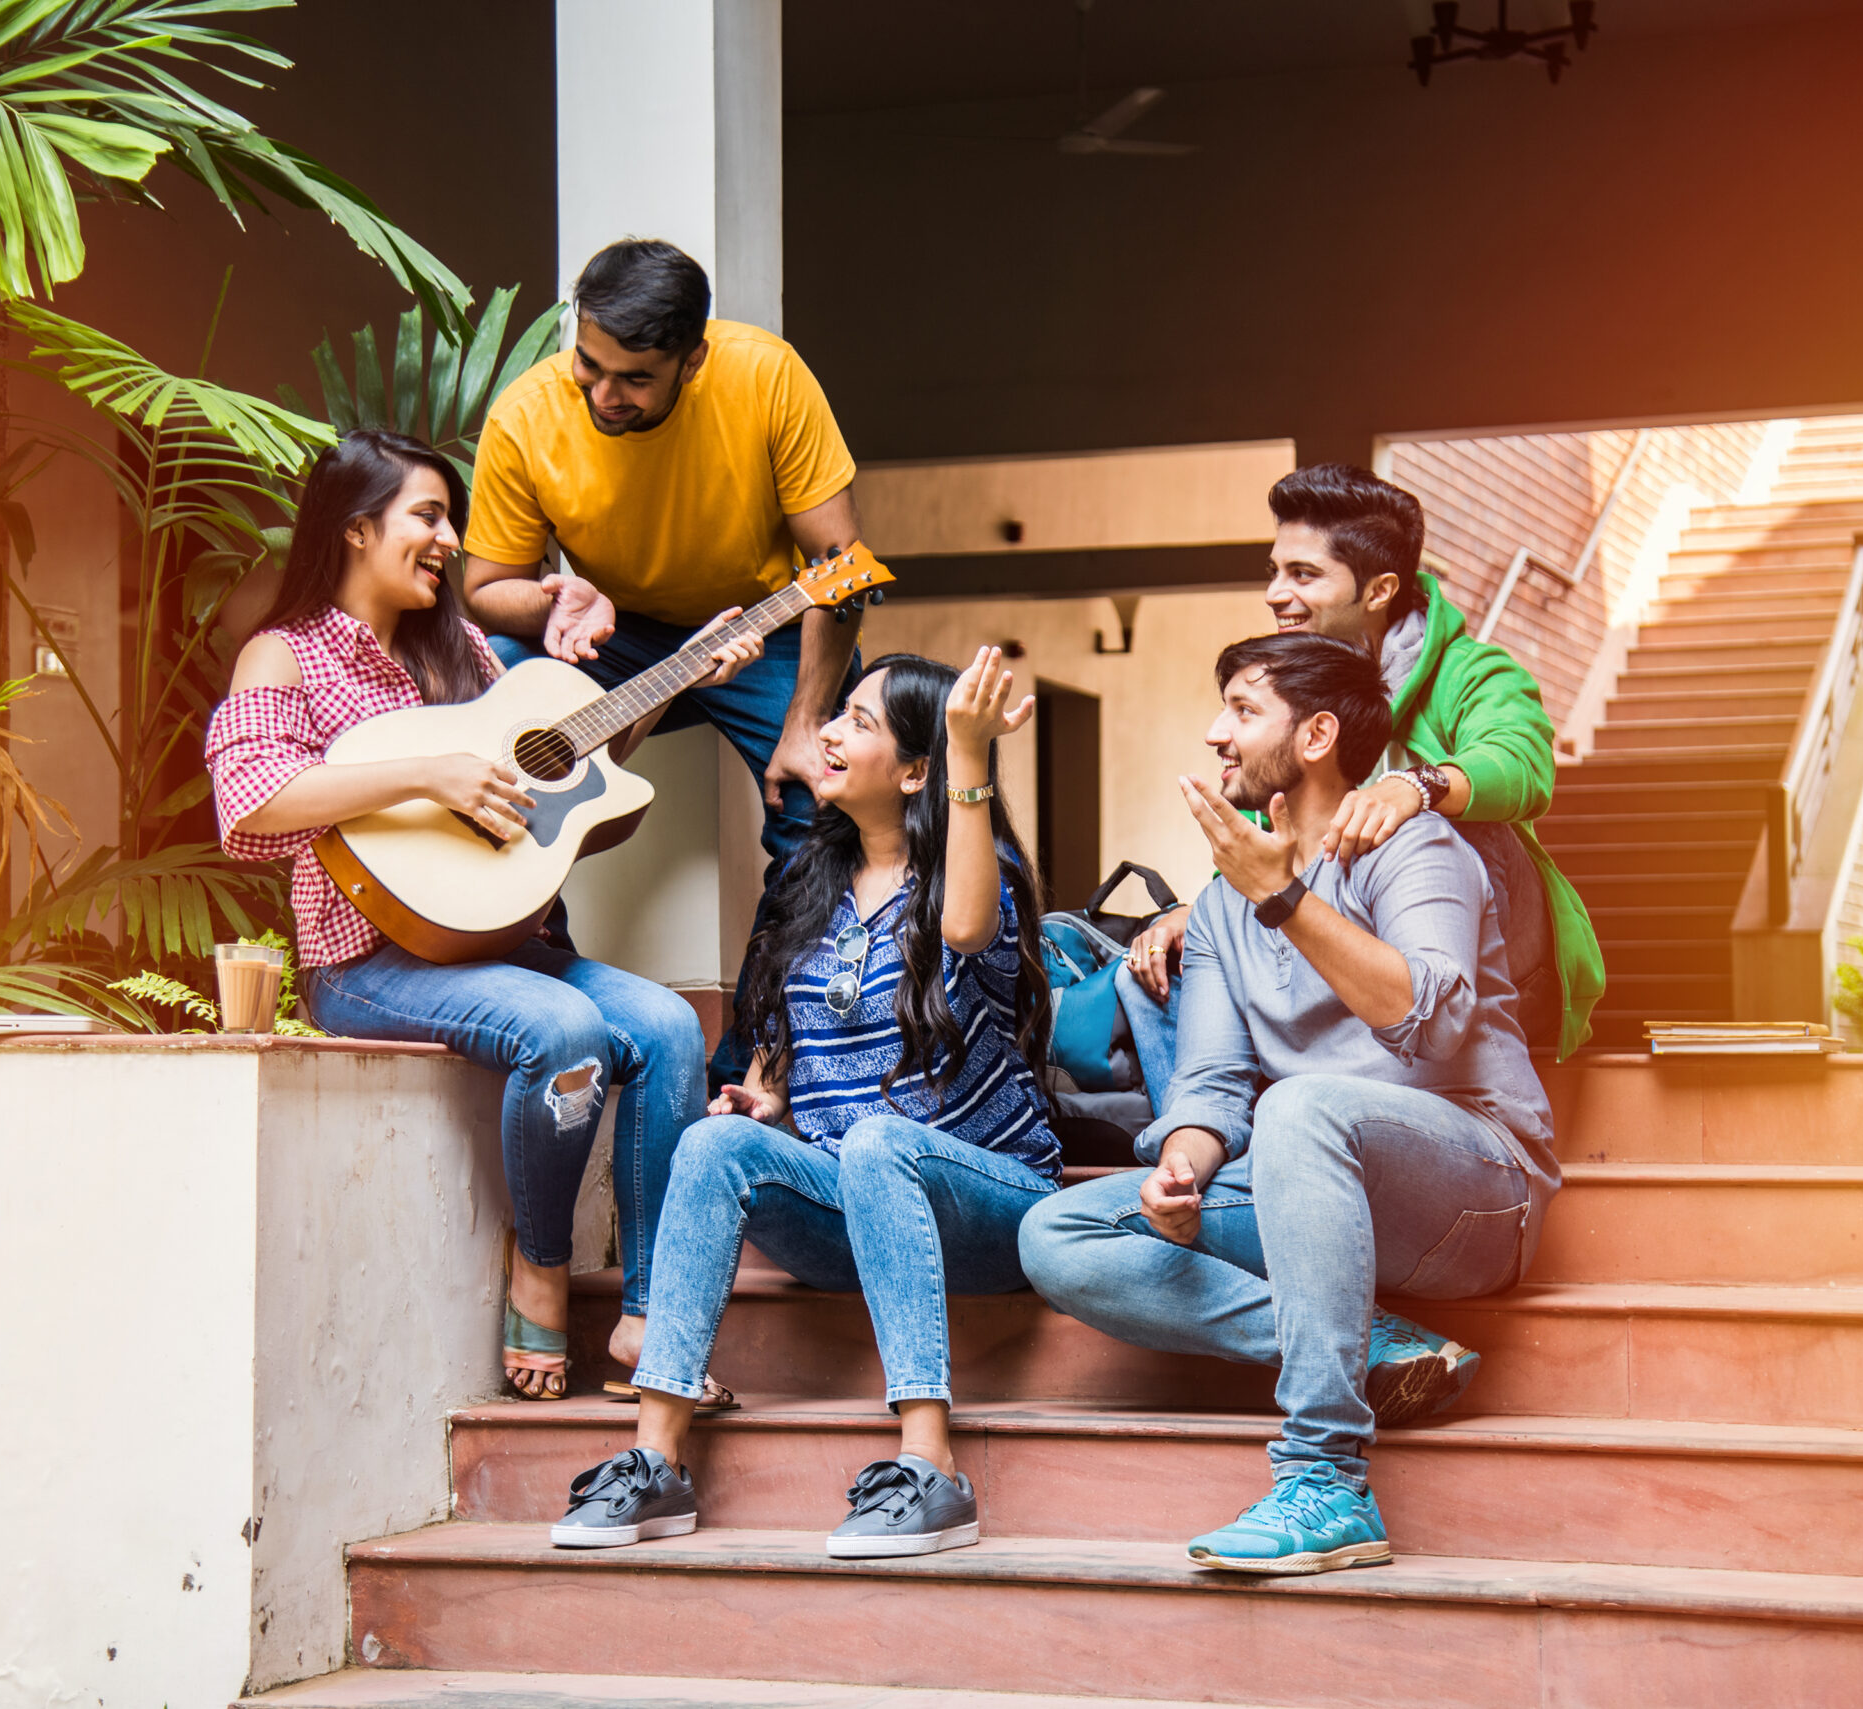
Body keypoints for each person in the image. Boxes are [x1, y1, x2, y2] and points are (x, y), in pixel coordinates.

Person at [205, 429, 763, 1404]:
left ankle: (650, 1319)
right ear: (354, 528)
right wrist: (427, 768)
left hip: (507, 946)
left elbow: (559, 768)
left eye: (449, 519)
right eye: (428, 515)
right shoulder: (283, 656)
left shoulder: (457, 647)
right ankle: (540, 1265)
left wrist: (682, 673)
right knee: (566, 1029)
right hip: (369, 960)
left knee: (673, 1026)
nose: (451, 539)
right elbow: (249, 803)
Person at [1019, 633, 1560, 1577]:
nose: (1215, 733)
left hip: (1478, 1186)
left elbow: (1426, 1022)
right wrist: (1182, 1166)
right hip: (1321, 1197)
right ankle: (1371, 1341)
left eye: (1242, 709)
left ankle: (1327, 1476)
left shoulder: (1416, 847)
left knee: (1301, 1108)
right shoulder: (1227, 903)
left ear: (1316, 734)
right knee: (1059, 1233)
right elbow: (1216, 1084)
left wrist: (1283, 897)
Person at [547, 651, 1058, 1559]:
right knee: (713, 1145)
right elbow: (797, 1050)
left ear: (915, 771)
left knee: (876, 1145)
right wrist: (768, 1100)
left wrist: (970, 757)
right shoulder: (808, 887)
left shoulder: (979, 874)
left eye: (859, 721)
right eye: (839, 715)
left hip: (986, 1204)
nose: (827, 730)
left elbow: (970, 929)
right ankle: (655, 1457)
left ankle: (930, 1465)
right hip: (854, 1200)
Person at [1119, 464, 1602, 1097]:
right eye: (1275, 571)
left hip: (1478, 969)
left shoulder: (1473, 671)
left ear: (1378, 592)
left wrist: (1415, 788)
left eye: (1304, 574)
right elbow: (1285, 830)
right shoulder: (1300, 688)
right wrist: (1209, 909)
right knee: (1156, 959)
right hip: (1344, 955)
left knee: (1461, 829)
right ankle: (1203, 1144)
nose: (1274, 593)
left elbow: (1522, 765)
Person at [462, 237, 864, 890]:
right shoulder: (525, 416)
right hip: (618, 635)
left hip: (770, 627)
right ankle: (531, 938)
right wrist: (556, 601)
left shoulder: (768, 376)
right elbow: (484, 589)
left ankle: (786, 987)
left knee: (823, 801)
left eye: (636, 377)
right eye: (590, 365)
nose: (605, 394)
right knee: (494, 682)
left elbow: (841, 567)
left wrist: (807, 723)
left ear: (693, 359)